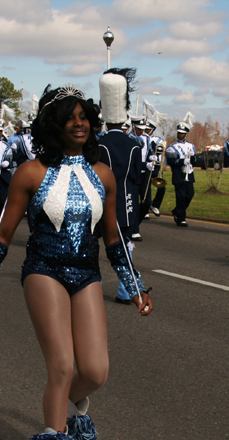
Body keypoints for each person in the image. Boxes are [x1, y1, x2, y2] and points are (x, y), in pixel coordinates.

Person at [0, 83, 153, 440]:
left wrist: (134, 286)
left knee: (96, 372)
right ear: (53, 124)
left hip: (87, 272)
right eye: (69, 117)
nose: (78, 123)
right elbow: (2, 235)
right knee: (62, 367)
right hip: (43, 270)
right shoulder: (30, 172)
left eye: (84, 116)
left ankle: (65, 407)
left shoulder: (103, 173)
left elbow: (113, 234)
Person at [97, 68, 144, 305]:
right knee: (125, 249)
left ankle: (92, 291)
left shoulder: (99, 144)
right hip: (126, 203)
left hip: (102, 204)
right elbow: (137, 178)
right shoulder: (135, 145)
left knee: (92, 248)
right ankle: (127, 292)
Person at [165, 121, 196, 227]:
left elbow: (195, 161)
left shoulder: (191, 146)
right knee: (181, 196)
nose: (180, 135)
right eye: (179, 133)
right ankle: (181, 218)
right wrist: (182, 161)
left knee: (190, 194)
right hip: (178, 174)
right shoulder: (172, 147)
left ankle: (177, 210)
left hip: (189, 173)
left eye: (182, 133)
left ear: (186, 134)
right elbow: (171, 162)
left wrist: (193, 157)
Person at [145, 118, 166, 217]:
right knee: (146, 187)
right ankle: (145, 209)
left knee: (161, 187)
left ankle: (155, 205)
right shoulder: (142, 138)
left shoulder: (157, 139)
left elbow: (160, 150)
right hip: (146, 165)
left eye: (148, 129)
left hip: (156, 165)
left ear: (153, 130)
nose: (146, 131)